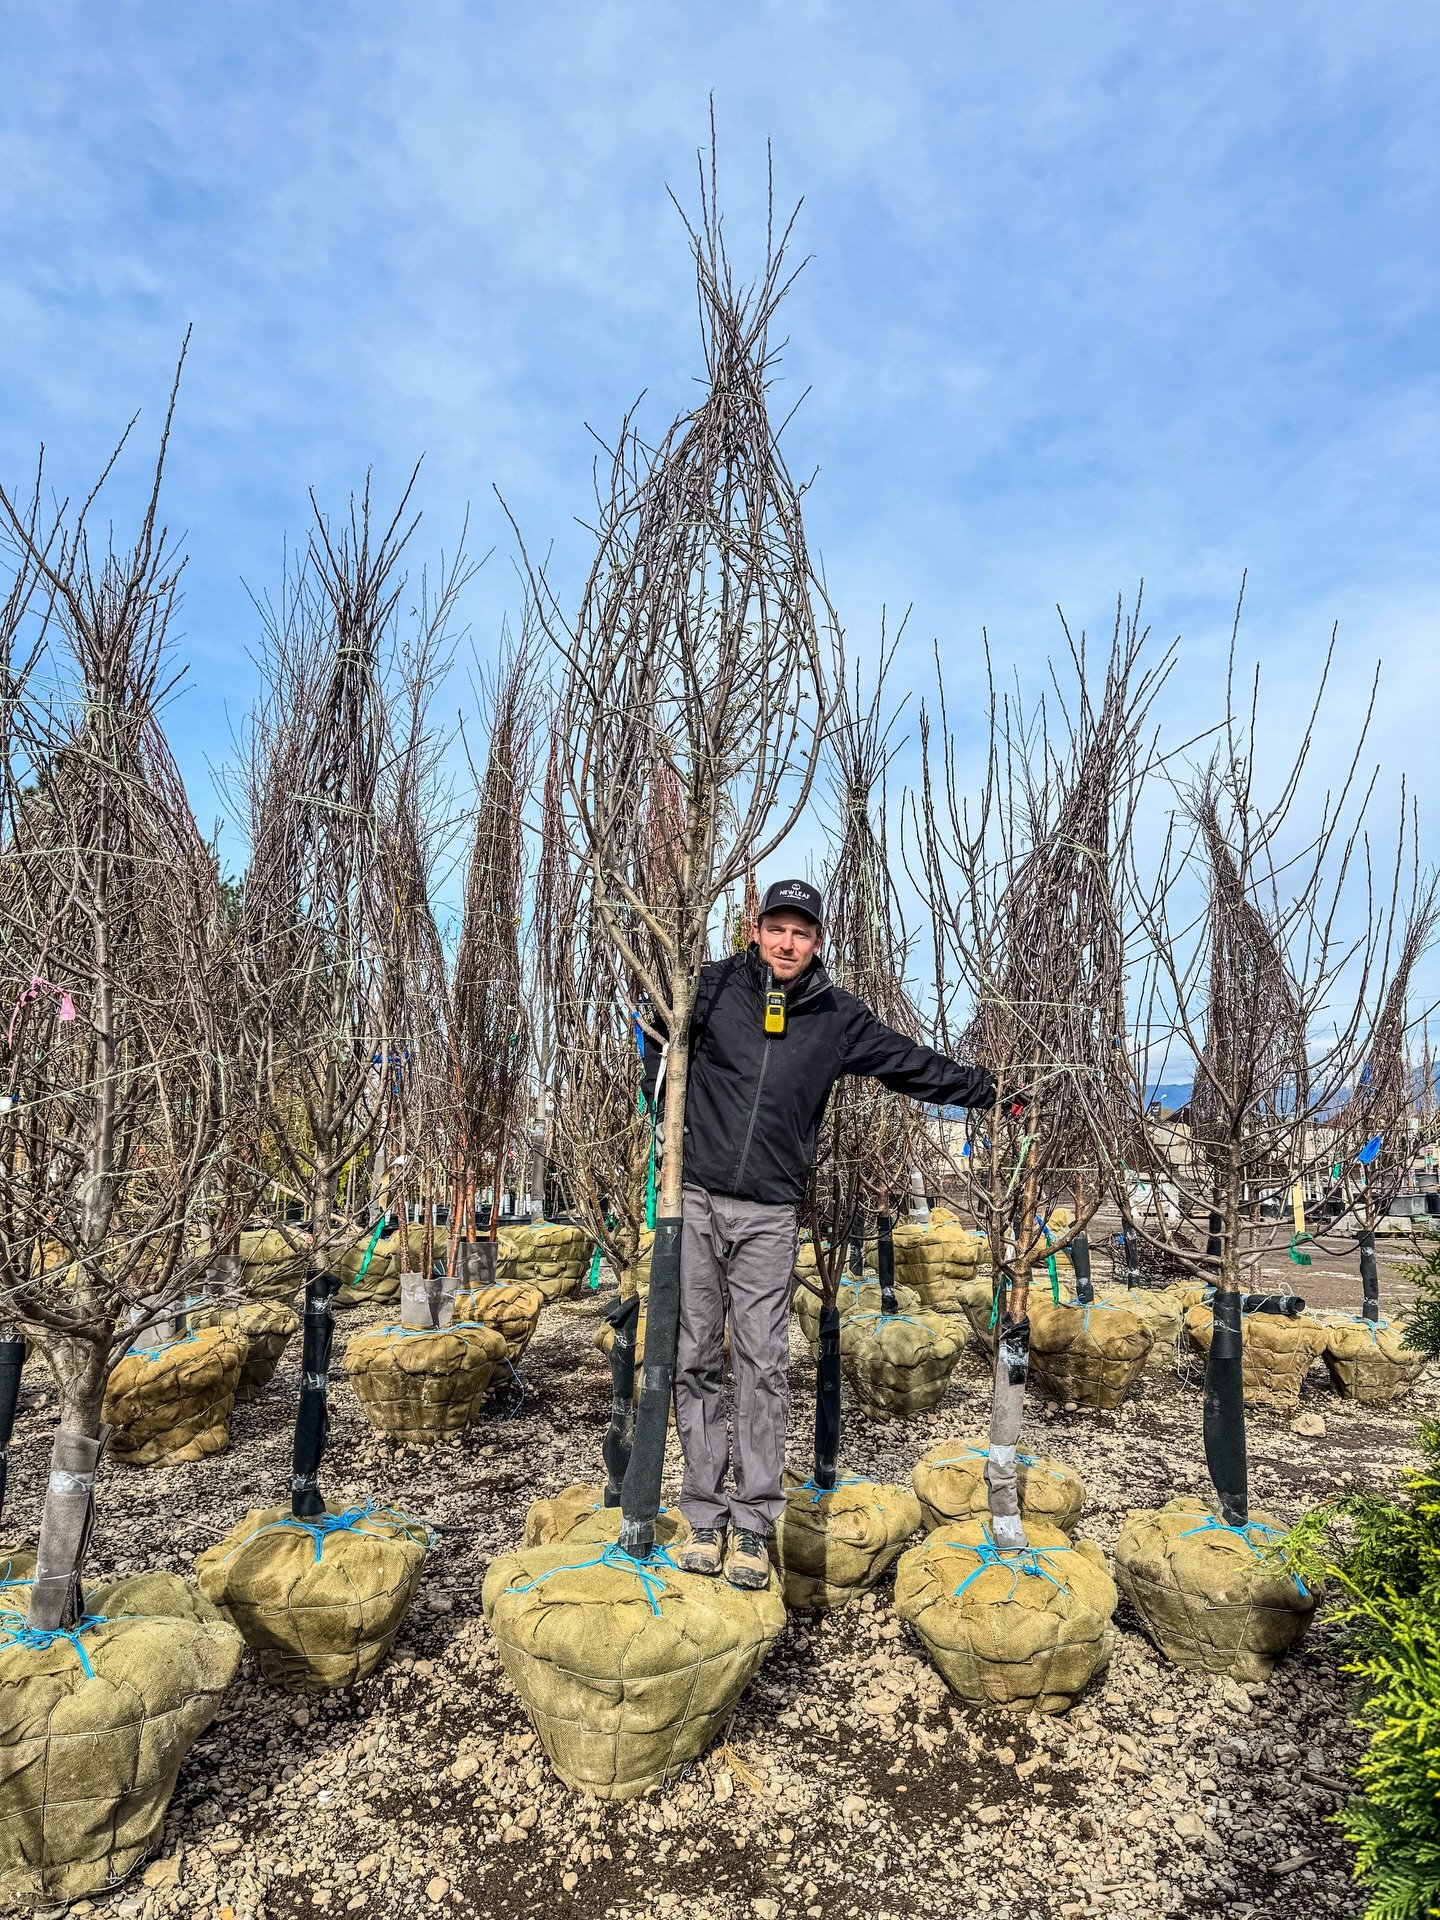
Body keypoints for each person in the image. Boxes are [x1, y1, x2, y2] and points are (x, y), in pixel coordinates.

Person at [644, 876, 996, 1590]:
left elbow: (909, 1063)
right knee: (693, 1360)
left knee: (766, 1363)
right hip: (698, 1198)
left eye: (801, 932)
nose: (787, 942)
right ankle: (704, 1513)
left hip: (772, 1211)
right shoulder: (710, 989)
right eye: (777, 927)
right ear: (754, 928)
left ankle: (753, 1524)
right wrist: (661, 1108)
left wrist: (989, 1091)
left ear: (816, 943)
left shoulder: (837, 1017)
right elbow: (653, 1025)